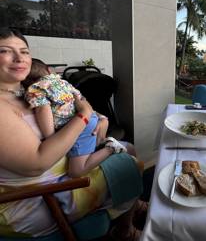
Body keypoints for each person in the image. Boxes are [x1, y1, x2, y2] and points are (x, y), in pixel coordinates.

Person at [0, 27, 145, 240]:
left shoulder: (26, 90)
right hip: (35, 197)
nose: (19, 57)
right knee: (130, 164)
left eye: (24, 51)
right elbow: (38, 162)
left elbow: (67, 104)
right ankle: (126, 230)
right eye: (5, 50)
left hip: (61, 169)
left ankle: (133, 205)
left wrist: (100, 117)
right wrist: (85, 115)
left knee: (129, 147)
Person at [23, 58, 127, 178]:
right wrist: (100, 117)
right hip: (88, 118)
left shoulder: (36, 89)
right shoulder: (64, 83)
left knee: (76, 172)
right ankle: (101, 146)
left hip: (81, 125)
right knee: (92, 144)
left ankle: (111, 148)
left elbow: (43, 110)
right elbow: (81, 99)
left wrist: (51, 138)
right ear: (49, 70)